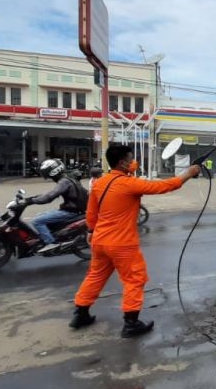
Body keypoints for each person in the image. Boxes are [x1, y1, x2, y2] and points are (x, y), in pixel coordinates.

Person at [71, 143, 200, 337]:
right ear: (122, 163)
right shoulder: (129, 184)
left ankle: (80, 313)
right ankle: (131, 323)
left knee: (95, 276)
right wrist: (188, 173)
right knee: (134, 279)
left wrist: (90, 230)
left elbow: (91, 213)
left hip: (100, 241)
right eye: (131, 159)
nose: (133, 163)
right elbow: (164, 186)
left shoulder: (99, 183)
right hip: (122, 243)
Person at [25, 158, 87, 254]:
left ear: (53, 172)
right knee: (40, 214)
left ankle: (51, 243)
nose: (49, 177)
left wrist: (30, 201)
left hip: (71, 211)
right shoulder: (68, 178)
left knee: (37, 221)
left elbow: (49, 197)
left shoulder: (64, 182)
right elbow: (50, 193)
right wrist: (34, 197)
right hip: (74, 208)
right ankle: (52, 235)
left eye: (48, 175)